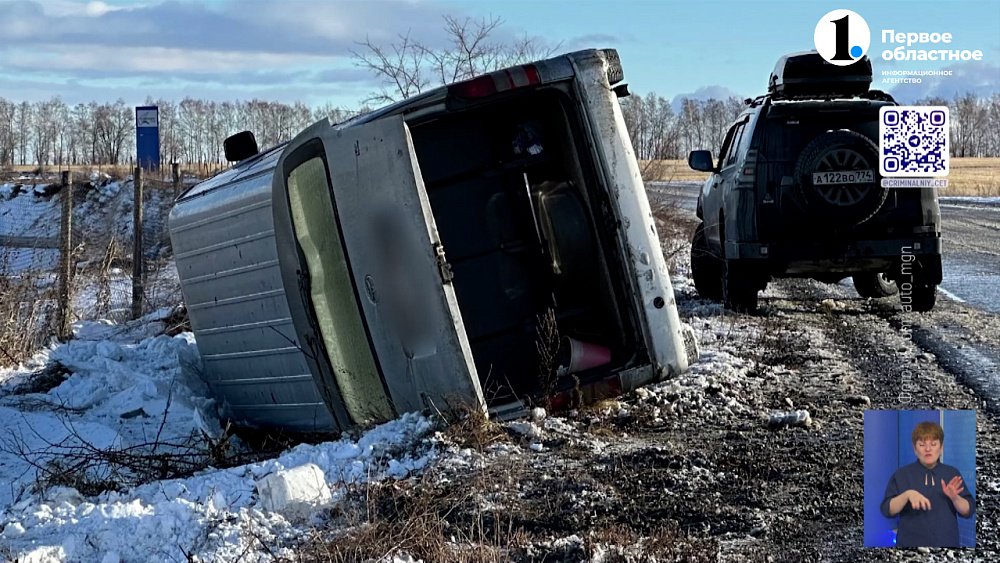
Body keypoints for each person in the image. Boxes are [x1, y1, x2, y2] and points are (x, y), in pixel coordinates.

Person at [880, 421, 975, 547]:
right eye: (922, 444)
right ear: (915, 449)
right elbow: (887, 510)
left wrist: (955, 498)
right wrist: (907, 495)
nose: (928, 449)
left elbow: (968, 511)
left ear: (941, 448)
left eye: (933, 444)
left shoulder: (952, 473)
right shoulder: (901, 474)